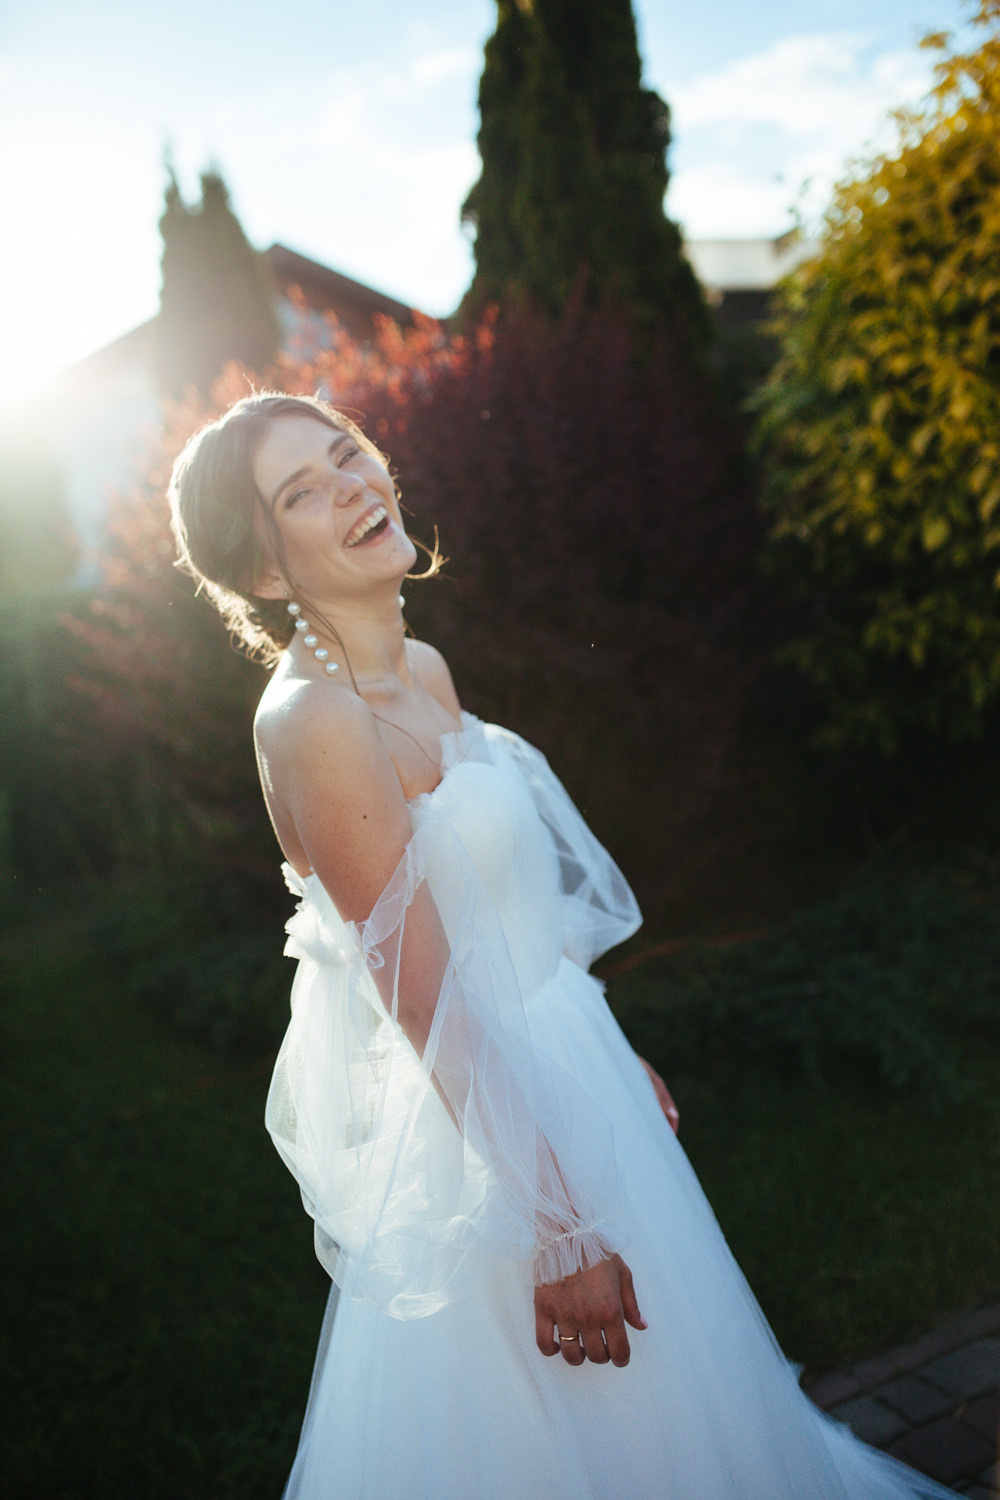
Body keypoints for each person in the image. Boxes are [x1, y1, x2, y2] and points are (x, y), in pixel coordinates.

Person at [169, 392, 958, 1500]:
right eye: (303, 489)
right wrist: (557, 1224)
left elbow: (503, 922)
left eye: (350, 455)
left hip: (570, 1080)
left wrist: (600, 1049)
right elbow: (425, 1000)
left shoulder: (424, 669)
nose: (353, 484)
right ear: (261, 570)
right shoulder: (316, 724)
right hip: (493, 1151)